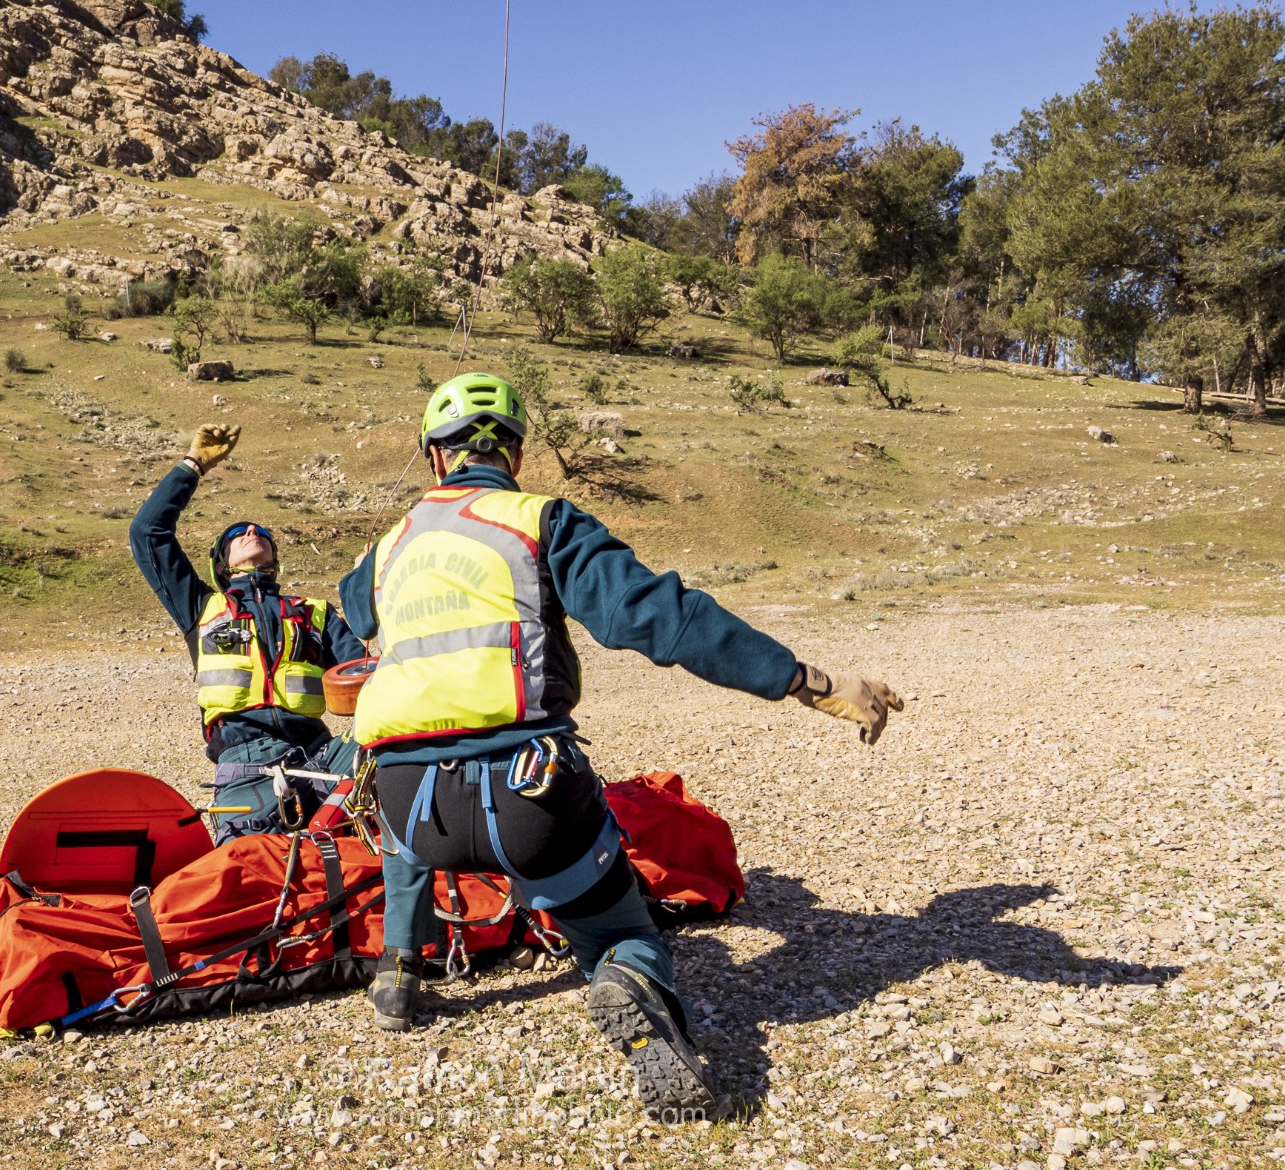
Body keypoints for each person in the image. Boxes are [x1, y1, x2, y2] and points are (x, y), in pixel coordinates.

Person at [336, 373, 904, 1119]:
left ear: (434, 457)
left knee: (399, 802)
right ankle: (625, 977)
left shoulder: (390, 547)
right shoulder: (541, 520)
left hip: (417, 811)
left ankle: (398, 975)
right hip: (527, 794)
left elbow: (347, 611)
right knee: (619, 925)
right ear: (513, 453)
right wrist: (805, 680)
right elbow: (659, 620)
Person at [130, 423, 367, 841]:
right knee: (250, 877)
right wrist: (194, 465)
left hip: (322, 756)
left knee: (390, 752)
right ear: (222, 566)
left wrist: (372, 584)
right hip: (244, 766)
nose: (252, 532)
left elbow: (368, 678)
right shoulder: (202, 607)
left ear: (273, 559)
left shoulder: (315, 612)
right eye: (238, 534)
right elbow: (148, 534)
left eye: (261, 533)